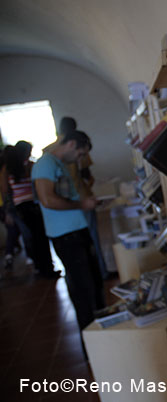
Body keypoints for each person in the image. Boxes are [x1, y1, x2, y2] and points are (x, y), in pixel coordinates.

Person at [31, 130, 105, 334]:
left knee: (93, 284)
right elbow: (47, 200)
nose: (80, 159)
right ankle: (91, 337)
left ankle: (99, 333)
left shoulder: (57, 164)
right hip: (67, 236)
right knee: (83, 290)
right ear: (71, 144)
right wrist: (82, 204)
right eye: (81, 154)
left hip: (75, 231)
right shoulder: (46, 164)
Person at [47, 116, 110, 279]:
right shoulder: (78, 146)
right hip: (82, 199)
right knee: (91, 239)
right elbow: (86, 174)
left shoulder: (49, 151)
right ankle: (100, 273)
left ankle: (90, 276)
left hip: (64, 207)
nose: (79, 157)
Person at [1, 141, 58, 278]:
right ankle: (42, 267)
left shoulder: (29, 166)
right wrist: (8, 212)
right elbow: (6, 192)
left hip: (32, 205)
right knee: (34, 237)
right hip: (23, 207)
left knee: (39, 237)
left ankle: (46, 267)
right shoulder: (8, 169)